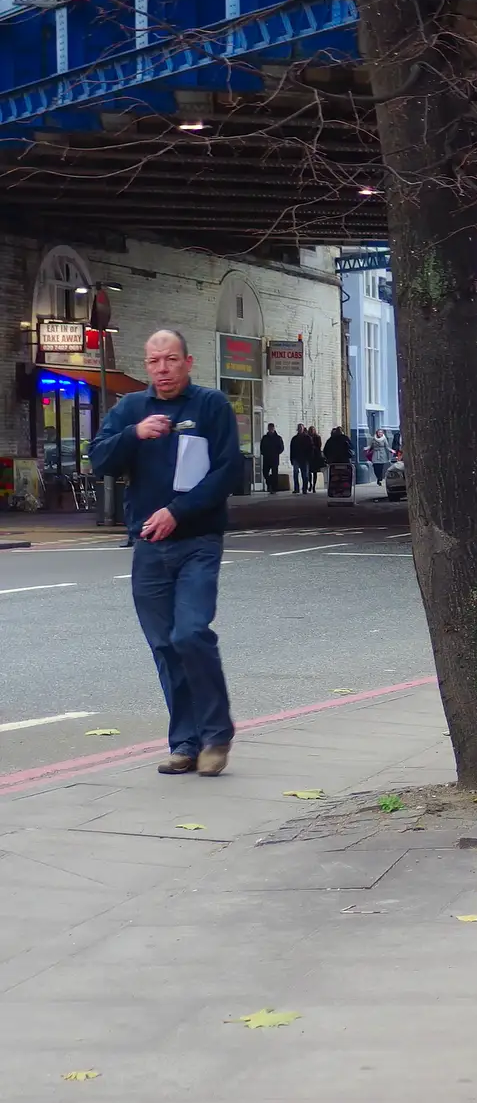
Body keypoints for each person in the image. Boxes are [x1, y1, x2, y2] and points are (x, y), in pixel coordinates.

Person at [88, 329, 238, 777]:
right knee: (165, 647)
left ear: (188, 362)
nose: (162, 369)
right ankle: (185, 743)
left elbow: (228, 471)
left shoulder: (211, 406)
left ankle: (217, 735)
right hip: (150, 547)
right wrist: (133, 435)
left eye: (171, 360)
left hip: (198, 541)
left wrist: (178, 511)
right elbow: (99, 460)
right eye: (154, 362)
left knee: (190, 633)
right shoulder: (131, 409)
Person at [260, 423, 284, 493]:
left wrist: (276, 453)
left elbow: (281, 447)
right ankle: (269, 483)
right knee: (265, 472)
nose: (270, 430)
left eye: (272, 428)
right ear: (268, 429)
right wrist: (264, 453)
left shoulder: (278, 438)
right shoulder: (265, 438)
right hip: (266, 458)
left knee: (274, 474)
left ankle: (274, 488)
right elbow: (262, 447)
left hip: (274, 458)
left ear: (274, 429)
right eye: (269, 428)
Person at [289, 424, 312, 494]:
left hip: (304, 459)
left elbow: (311, 448)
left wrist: (309, 458)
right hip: (296, 458)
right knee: (295, 473)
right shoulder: (294, 439)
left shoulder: (307, 438)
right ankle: (296, 488)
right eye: (299, 428)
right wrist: (291, 458)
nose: (300, 429)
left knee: (305, 475)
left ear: (303, 429)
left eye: (301, 428)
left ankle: (304, 488)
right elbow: (292, 449)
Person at [306, 426, 324, 492]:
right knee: (309, 472)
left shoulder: (317, 437)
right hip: (309, 457)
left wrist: (314, 447)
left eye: (313, 430)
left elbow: (319, 446)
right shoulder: (307, 437)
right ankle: (310, 484)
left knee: (315, 472)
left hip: (315, 457)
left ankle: (314, 486)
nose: (312, 431)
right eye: (311, 430)